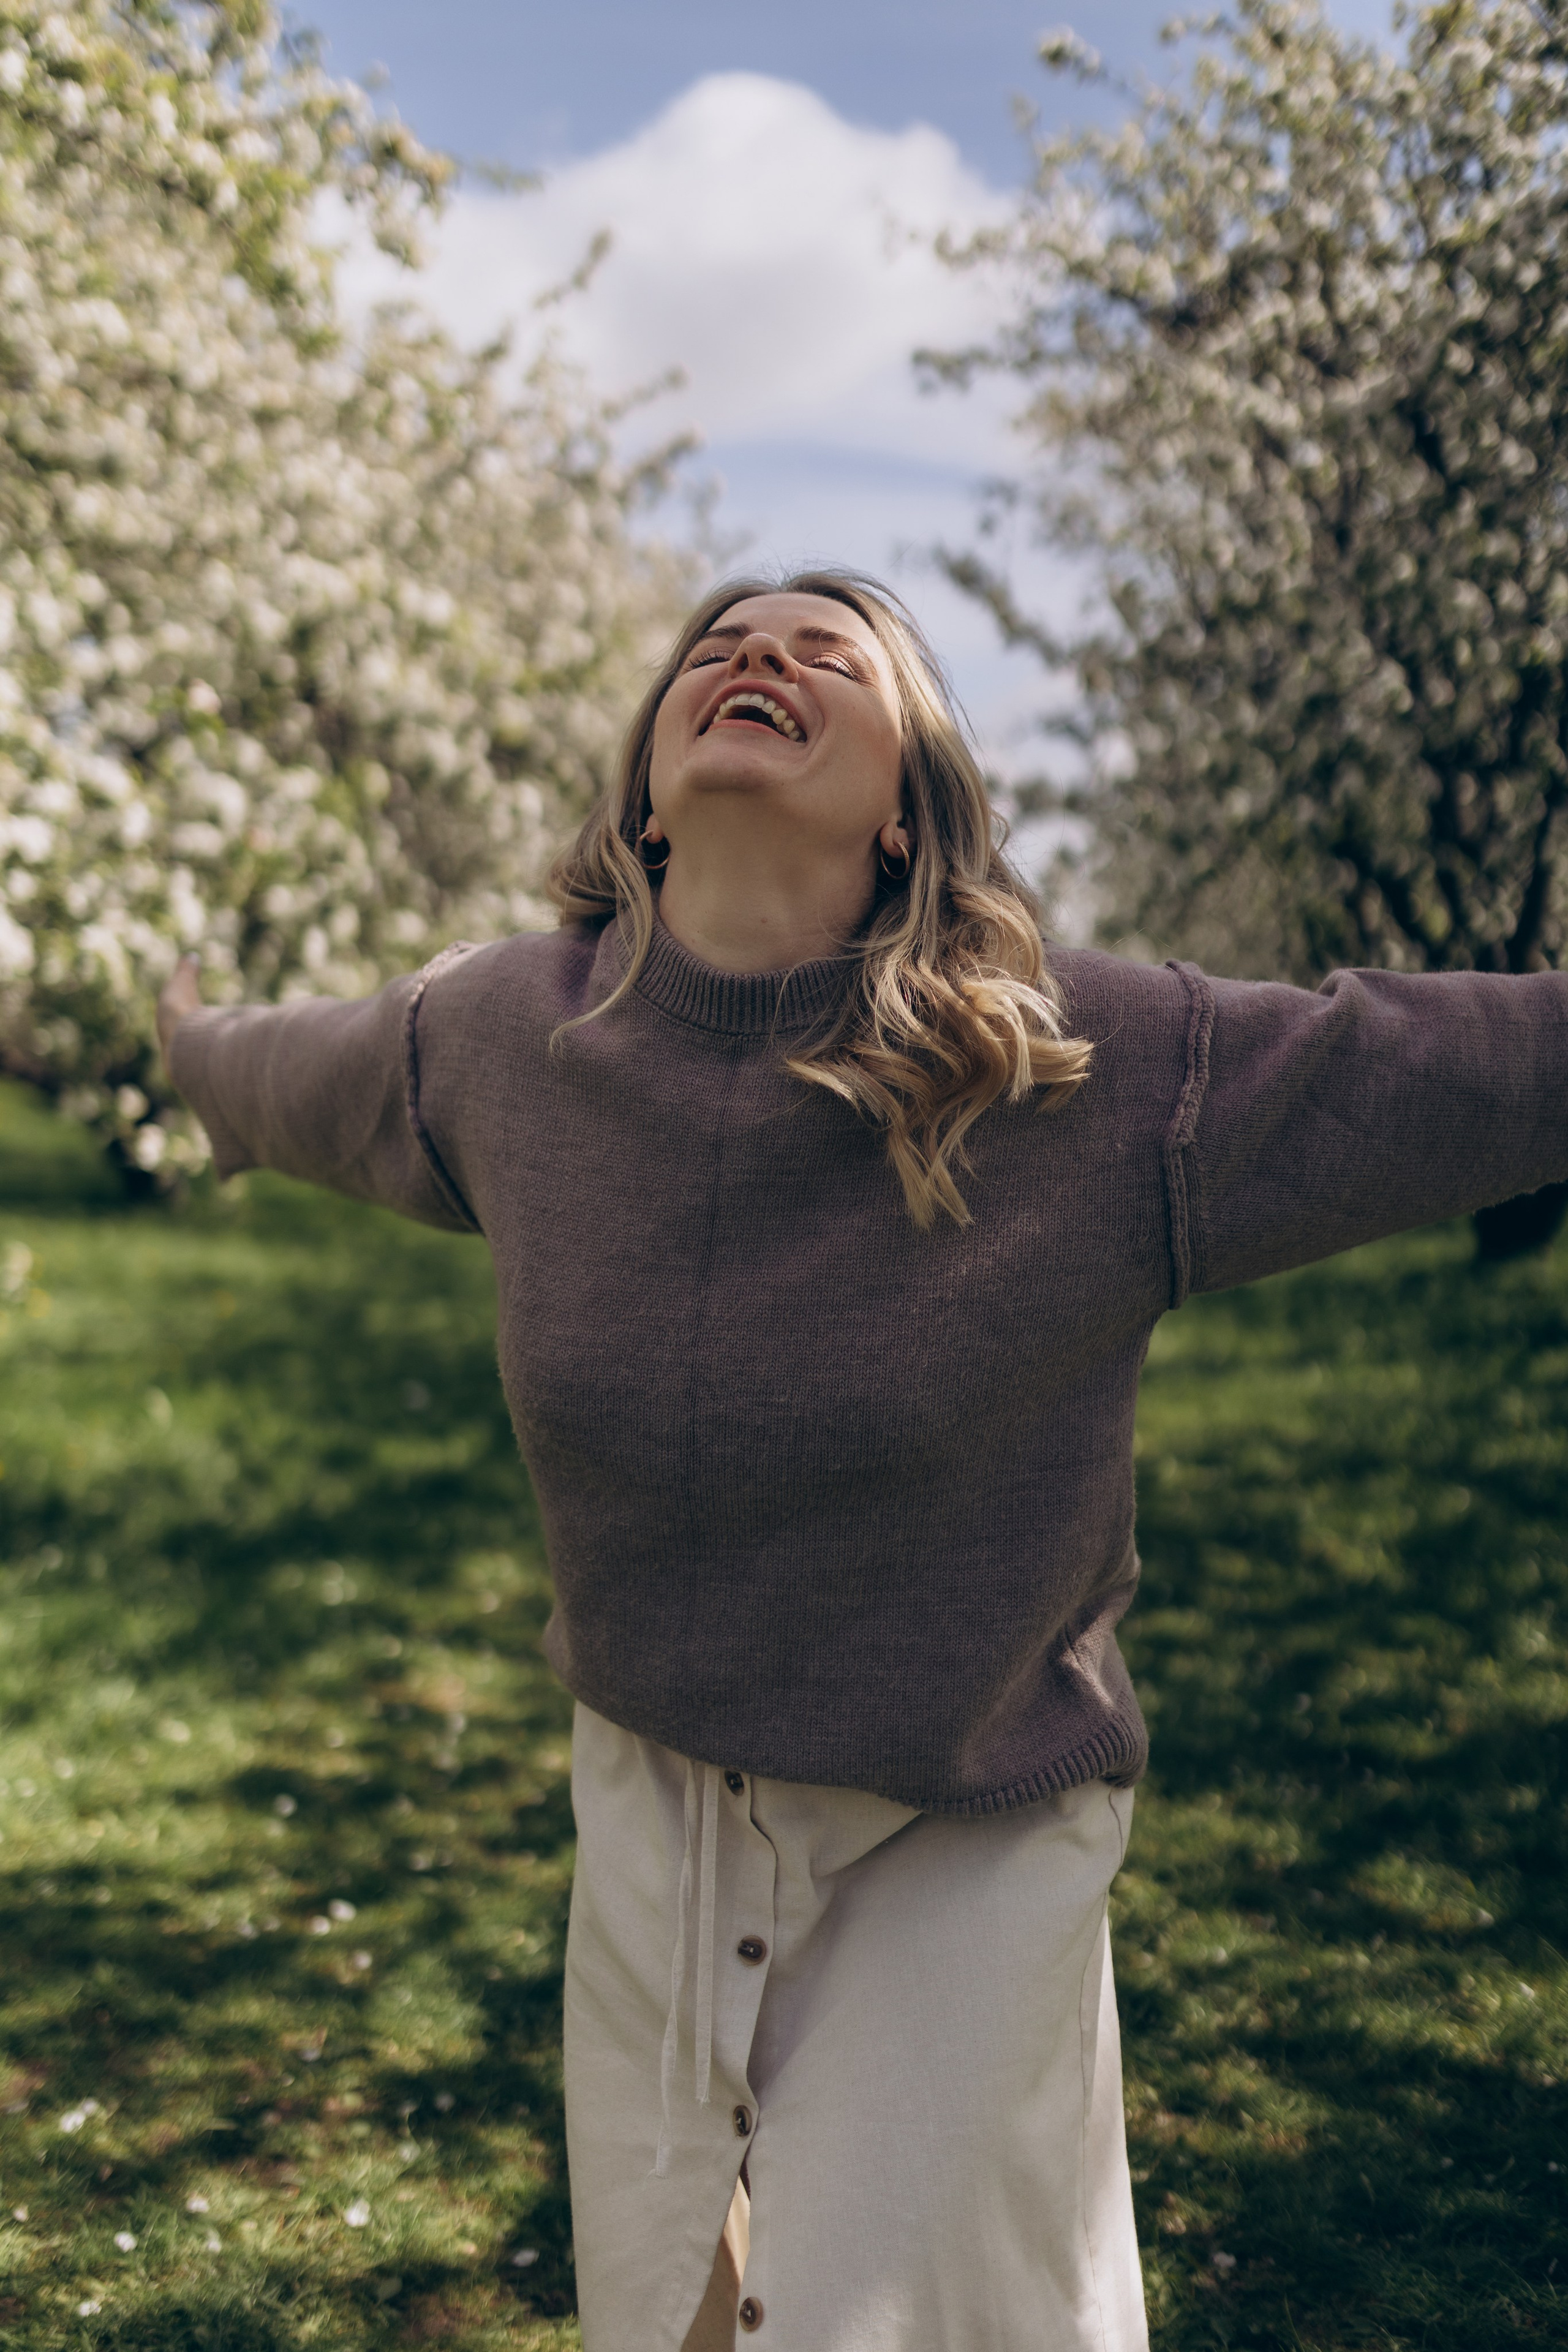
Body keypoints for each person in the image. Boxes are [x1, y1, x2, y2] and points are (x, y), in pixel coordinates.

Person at [159, 568, 1568, 2352]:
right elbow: (293, 1076)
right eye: (720, 649)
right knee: (665, 2310)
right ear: (648, 790)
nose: (756, 657)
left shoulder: (1083, 1064)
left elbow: (1434, 1068)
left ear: (908, 808)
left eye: (826, 654)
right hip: (656, 1797)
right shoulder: (510, 1038)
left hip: (961, 1825)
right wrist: (189, 1048)